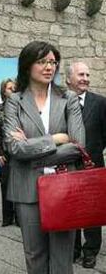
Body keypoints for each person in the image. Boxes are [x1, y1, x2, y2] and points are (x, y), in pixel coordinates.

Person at [3, 41, 85, 274]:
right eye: (42, 62)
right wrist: (56, 139)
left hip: (63, 187)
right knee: (34, 255)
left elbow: (78, 146)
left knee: (62, 258)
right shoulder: (15, 101)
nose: (49, 67)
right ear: (27, 65)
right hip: (27, 189)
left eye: (52, 62)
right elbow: (14, 148)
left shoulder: (68, 98)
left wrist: (32, 151)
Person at [66, 62, 106, 268]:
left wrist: (93, 152)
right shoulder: (59, 102)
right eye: (81, 74)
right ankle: (72, 249)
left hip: (93, 166)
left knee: (91, 211)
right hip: (67, 167)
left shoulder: (100, 103)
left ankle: (91, 250)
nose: (86, 78)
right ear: (68, 79)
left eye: (88, 74)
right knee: (70, 211)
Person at [0, 78, 17, 226]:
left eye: (14, 88)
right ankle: (7, 218)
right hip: (5, 152)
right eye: (9, 88)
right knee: (5, 183)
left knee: (20, 184)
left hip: (20, 152)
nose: (12, 90)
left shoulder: (23, 108)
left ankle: (21, 218)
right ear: (3, 91)